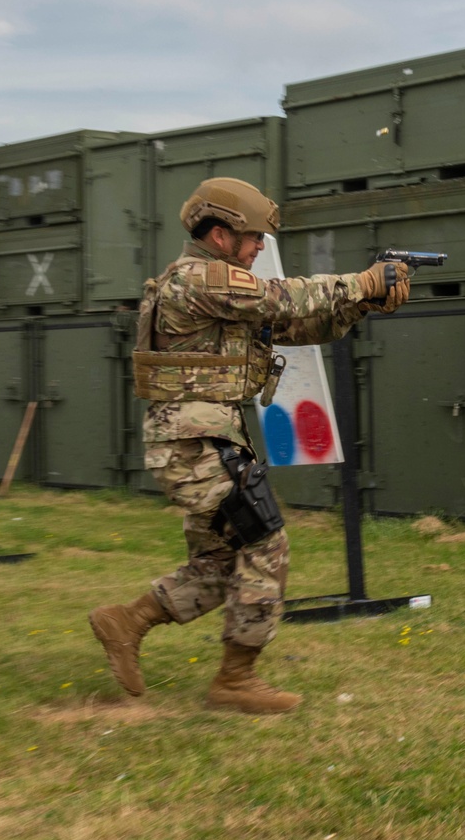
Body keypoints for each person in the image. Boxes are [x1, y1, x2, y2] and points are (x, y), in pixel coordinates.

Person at [88, 177, 409, 715]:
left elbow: (299, 324)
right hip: (192, 443)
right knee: (266, 543)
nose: (261, 248)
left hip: (201, 441)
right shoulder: (198, 280)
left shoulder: (220, 292)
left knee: (220, 562)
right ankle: (235, 680)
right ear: (220, 235)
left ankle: (128, 622)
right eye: (255, 238)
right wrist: (363, 280)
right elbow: (282, 297)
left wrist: (364, 303)